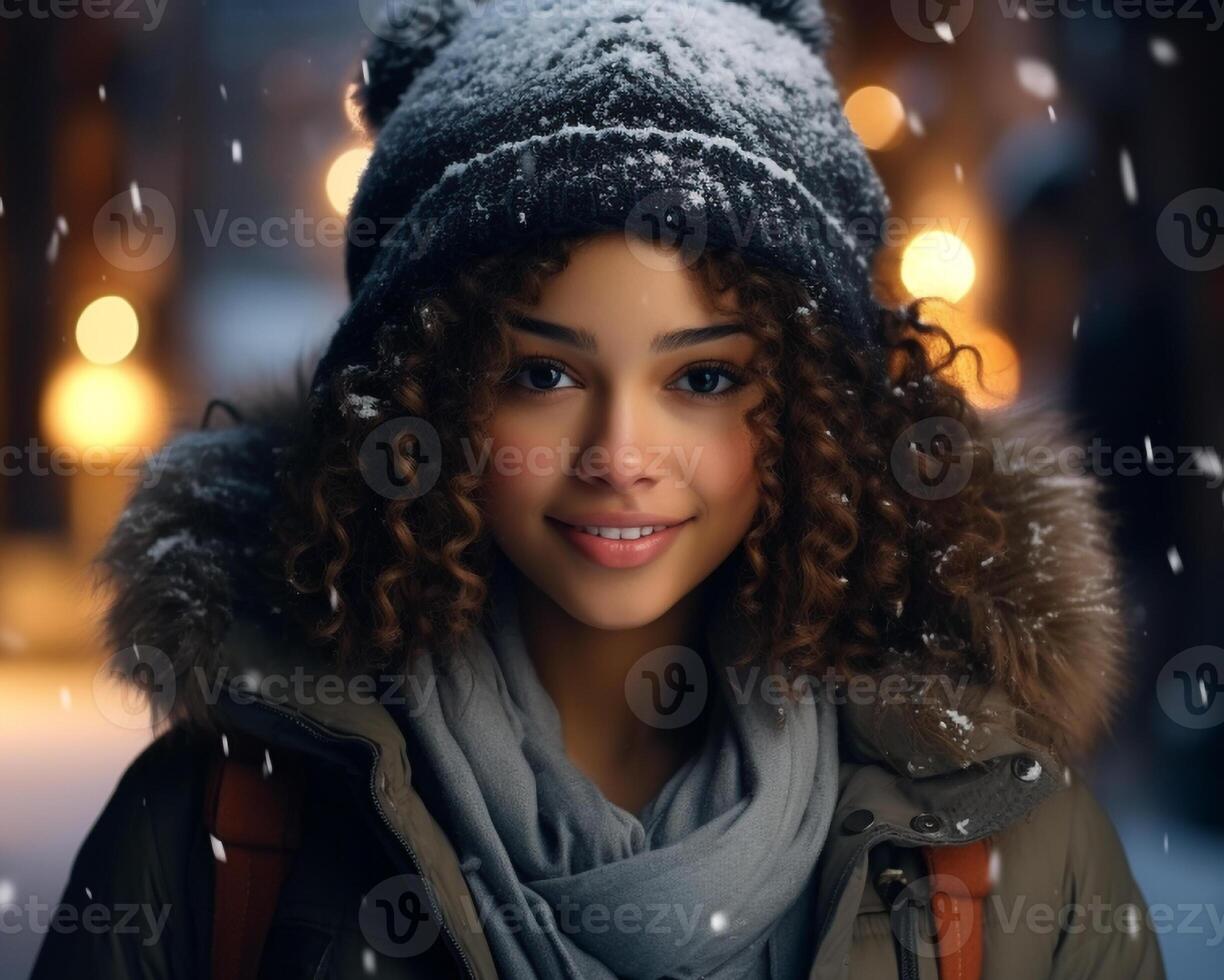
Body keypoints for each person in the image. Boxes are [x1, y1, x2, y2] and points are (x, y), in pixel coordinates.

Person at [31, 1, 1164, 977]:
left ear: (821, 407)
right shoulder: (223, 829)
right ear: (425, 393)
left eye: (704, 377)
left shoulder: (1015, 851)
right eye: (544, 373)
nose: (620, 452)